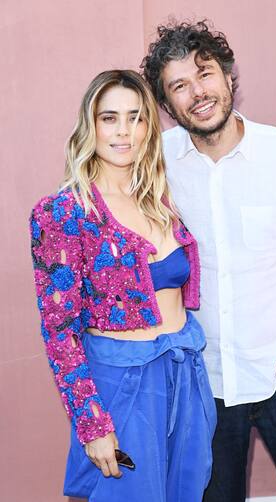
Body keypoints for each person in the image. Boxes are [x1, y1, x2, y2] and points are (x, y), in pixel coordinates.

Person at [141, 20, 276, 502]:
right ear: (167, 106)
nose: (197, 92)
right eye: (179, 86)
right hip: (202, 380)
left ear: (228, 77)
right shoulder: (155, 161)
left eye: (204, 74)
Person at [30, 69, 216, 502]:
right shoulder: (63, 213)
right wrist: (92, 422)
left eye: (136, 118)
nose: (124, 132)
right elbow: (60, 332)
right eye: (109, 118)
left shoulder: (161, 199)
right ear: (89, 125)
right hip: (123, 389)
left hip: (184, 377)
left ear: (150, 125)